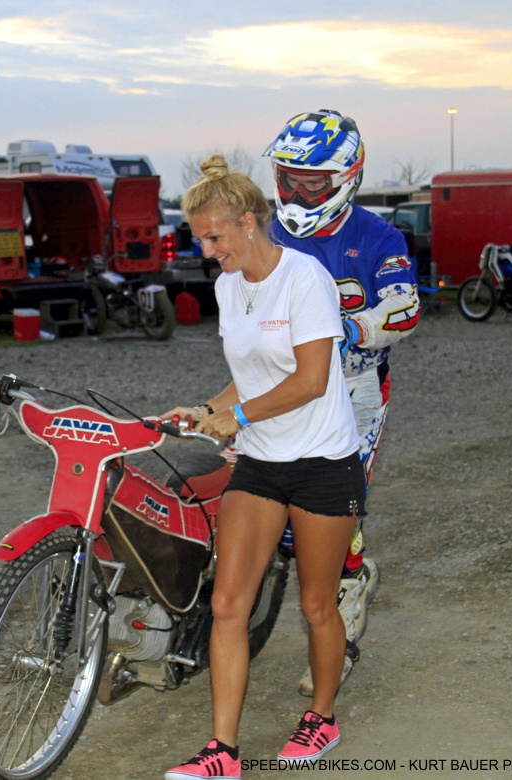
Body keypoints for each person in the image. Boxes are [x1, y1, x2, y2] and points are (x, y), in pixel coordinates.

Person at [162, 155, 366, 778]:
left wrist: (240, 417)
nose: (208, 250)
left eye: (215, 236)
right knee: (228, 604)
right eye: (200, 238)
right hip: (260, 462)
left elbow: (309, 380)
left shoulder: (305, 279)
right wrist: (208, 409)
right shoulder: (228, 286)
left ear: (249, 222)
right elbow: (246, 373)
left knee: (316, 605)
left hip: (323, 461)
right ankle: (222, 752)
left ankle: (322, 717)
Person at [262, 109, 421, 695]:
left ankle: (347, 596)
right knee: (266, 510)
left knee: (331, 511)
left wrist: (352, 329)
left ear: (346, 176)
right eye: (288, 178)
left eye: (312, 181)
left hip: (353, 389)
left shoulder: (378, 236)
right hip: (279, 387)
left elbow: (406, 309)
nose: (298, 192)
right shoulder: (268, 232)